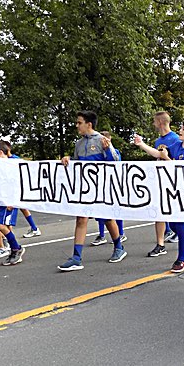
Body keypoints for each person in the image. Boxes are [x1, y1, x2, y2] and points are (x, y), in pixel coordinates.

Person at [57, 110, 125, 272]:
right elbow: (77, 163)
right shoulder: (79, 144)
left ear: (89, 124)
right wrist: (68, 159)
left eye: (79, 122)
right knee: (81, 219)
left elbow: (115, 162)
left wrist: (108, 150)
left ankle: (119, 247)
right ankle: (76, 257)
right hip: (84, 189)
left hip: (101, 187)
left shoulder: (102, 140)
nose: (77, 125)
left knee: (107, 219)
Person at [134, 118, 184, 273]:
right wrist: (142, 144)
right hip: (171, 189)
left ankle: (181, 259)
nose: (180, 130)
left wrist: (166, 158)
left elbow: (180, 167)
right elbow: (158, 153)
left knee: (179, 223)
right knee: (172, 225)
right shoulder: (176, 145)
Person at [145, 111, 180, 257]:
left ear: (160, 122)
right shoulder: (158, 141)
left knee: (179, 215)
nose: (153, 124)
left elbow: (177, 160)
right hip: (161, 180)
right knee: (158, 212)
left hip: (174, 181)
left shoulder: (175, 139)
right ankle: (160, 244)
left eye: (154, 121)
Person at [0, 141, 25, 266]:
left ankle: (16, 248)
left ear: (1, 152)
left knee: (1, 226)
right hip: (0, 199)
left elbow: (19, 180)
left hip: (8, 200)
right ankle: (13, 249)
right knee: (4, 226)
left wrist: (14, 200)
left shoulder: (14, 161)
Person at [91, 131, 127, 246]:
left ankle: (121, 233)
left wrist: (107, 149)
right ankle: (101, 235)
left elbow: (115, 165)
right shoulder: (96, 154)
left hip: (113, 185)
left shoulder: (114, 152)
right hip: (100, 185)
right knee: (100, 212)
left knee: (116, 211)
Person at [2, 141, 42, 239]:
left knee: (9, 211)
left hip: (16, 189)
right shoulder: (6, 160)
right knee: (23, 208)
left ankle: (6, 234)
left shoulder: (14, 160)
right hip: (15, 189)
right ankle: (34, 228)